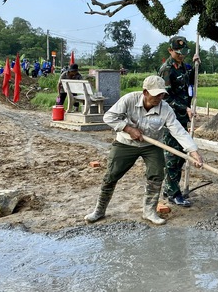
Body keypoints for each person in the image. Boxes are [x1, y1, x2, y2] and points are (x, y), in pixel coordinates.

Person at [84, 75, 204, 225]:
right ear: (145, 92)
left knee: (156, 175)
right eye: (156, 94)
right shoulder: (129, 100)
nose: (159, 97)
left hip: (152, 146)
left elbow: (178, 131)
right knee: (111, 175)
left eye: (162, 94)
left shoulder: (165, 109)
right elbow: (109, 117)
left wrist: (193, 152)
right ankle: (99, 211)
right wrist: (128, 129)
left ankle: (149, 211)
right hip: (126, 143)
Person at [158, 36, 200, 208]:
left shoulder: (181, 65)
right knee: (172, 156)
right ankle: (174, 193)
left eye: (184, 53)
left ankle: (170, 189)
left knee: (181, 154)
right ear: (170, 50)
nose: (182, 56)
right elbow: (165, 97)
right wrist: (185, 108)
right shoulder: (166, 69)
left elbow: (188, 80)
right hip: (170, 118)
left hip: (182, 118)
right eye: (178, 53)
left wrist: (196, 65)